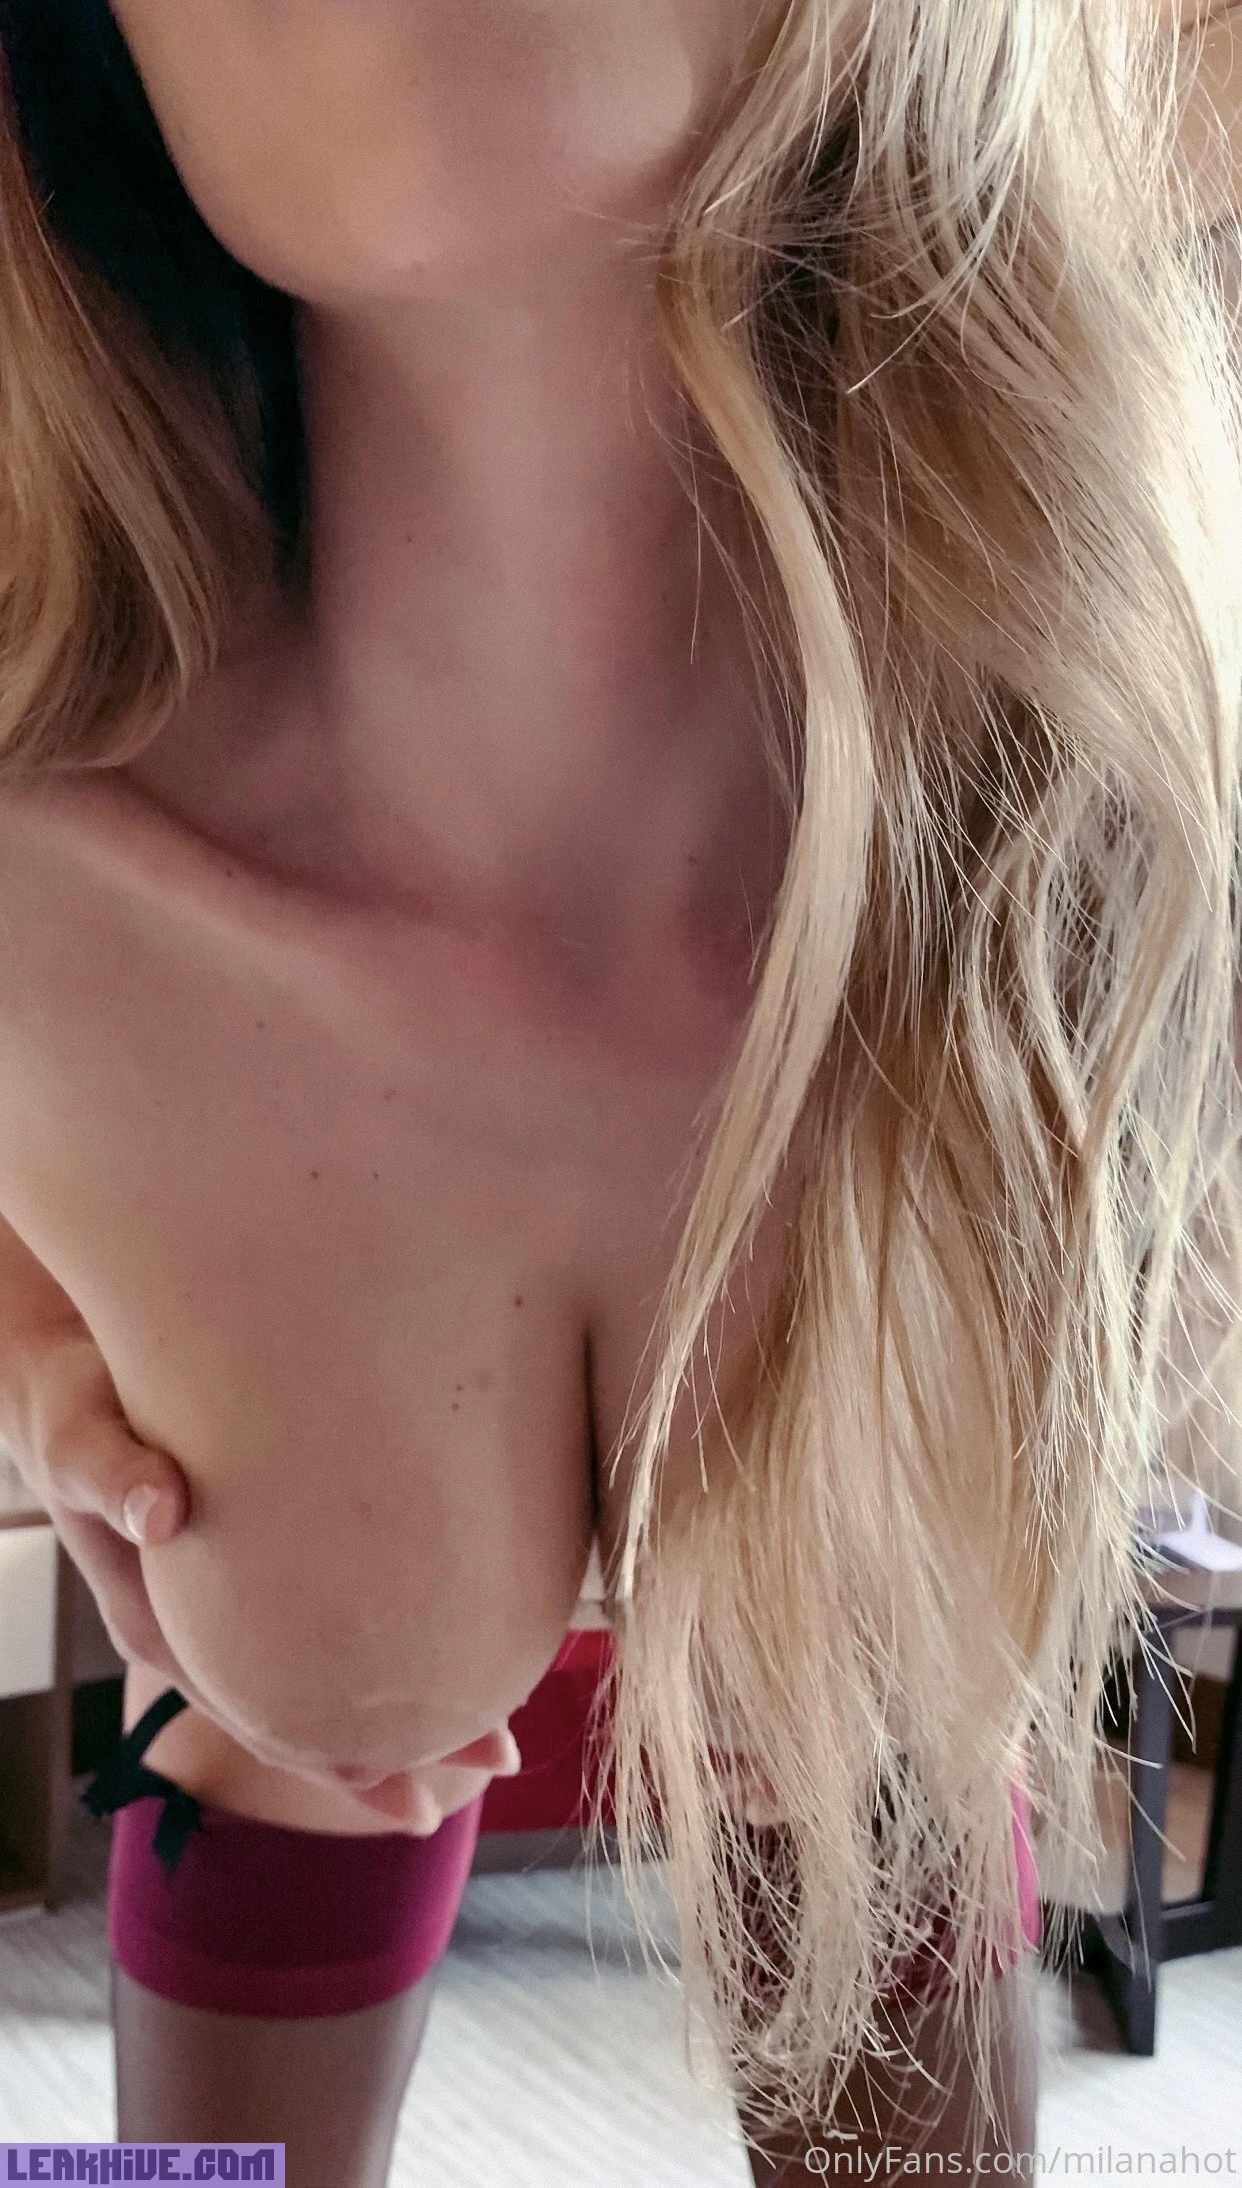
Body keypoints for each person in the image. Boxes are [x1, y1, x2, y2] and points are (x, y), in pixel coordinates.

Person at [0, 1, 1238, 2181]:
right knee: (285, 1707)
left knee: (852, 1719)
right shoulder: (54, 901)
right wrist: (33, 1325)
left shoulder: (1124, 816)